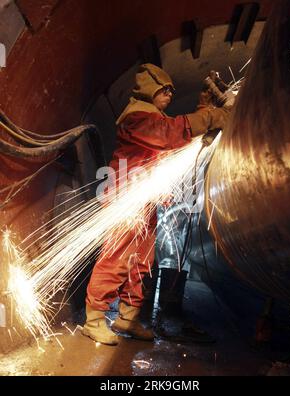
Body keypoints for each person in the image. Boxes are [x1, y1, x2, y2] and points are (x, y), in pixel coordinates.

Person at [82, 63, 232, 345]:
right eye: (165, 91)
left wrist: (203, 111)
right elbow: (169, 134)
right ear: (151, 89)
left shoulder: (156, 118)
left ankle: (128, 318)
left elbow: (176, 137)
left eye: (171, 92)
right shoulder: (137, 117)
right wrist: (212, 115)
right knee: (116, 260)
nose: (169, 96)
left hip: (146, 200)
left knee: (141, 262)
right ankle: (94, 320)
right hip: (126, 199)